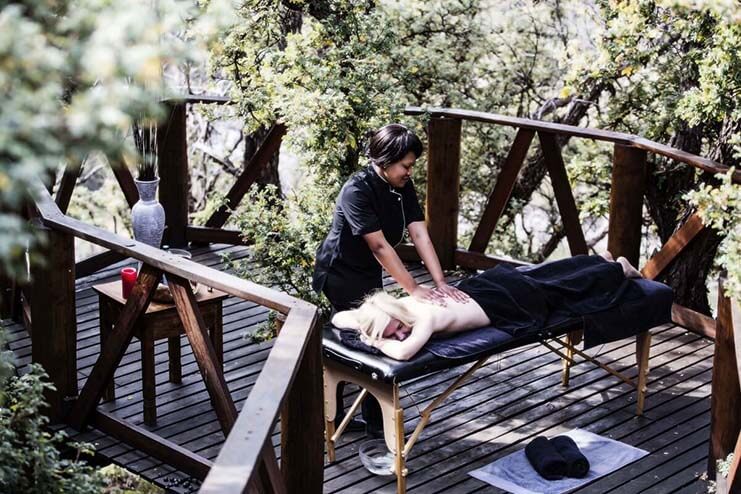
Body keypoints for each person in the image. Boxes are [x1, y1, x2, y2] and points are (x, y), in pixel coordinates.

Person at [312, 123, 467, 434]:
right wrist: (413, 288)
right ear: (384, 160)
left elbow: (419, 233)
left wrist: (440, 283)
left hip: (367, 272)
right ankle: (352, 419)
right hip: (339, 272)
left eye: (411, 166)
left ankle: (362, 419)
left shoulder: (401, 186)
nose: (409, 172)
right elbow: (379, 245)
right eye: (405, 166)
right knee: (366, 340)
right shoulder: (357, 189)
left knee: (369, 339)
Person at [332, 254, 646, 361]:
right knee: (547, 274)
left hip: (504, 303)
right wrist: (366, 325)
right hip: (480, 289)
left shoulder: (422, 318)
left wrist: (373, 339)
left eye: (398, 328)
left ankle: (618, 270)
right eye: (396, 332)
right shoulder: (395, 304)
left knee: (564, 288)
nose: (400, 335)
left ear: (399, 317)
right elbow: (341, 317)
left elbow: (404, 353)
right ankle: (598, 261)